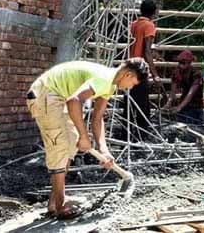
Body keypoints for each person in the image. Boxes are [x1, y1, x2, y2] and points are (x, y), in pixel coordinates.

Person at [26, 58, 149, 219]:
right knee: (60, 146)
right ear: (127, 75)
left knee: (71, 143)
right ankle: (60, 206)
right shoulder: (105, 78)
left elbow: (97, 118)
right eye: (133, 83)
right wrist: (84, 136)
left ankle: (54, 204)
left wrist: (103, 149)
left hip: (57, 97)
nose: (130, 88)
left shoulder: (110, 84)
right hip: (45, 93)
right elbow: (74, 100)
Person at [128, 0, 159, 134]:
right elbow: (147, 50)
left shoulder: (133, 24)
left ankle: (127, 133)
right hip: (140, 69)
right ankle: (142, 134)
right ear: (153, 13)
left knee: (129, 104)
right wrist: (155, 74)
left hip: (129, 67)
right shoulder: (149, 25)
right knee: (142, 105)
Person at [163, 50, 204, 125]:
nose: (180, 65)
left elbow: (191, 93)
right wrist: (168, 103)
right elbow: (173, 91)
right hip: (184, 106)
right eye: (180, 62)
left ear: (189, 63)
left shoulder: (196, 74)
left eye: (183, 63)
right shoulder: (177, 72)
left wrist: (179, 107)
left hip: (195, 106)